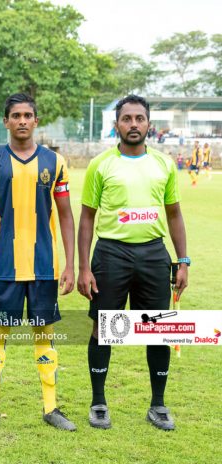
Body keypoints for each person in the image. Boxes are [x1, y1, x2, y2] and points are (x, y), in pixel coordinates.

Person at [77, 95, 188, 431]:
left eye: (140, 118)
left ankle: (158, 405)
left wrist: (183, 260)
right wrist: (83, 268)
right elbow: (87, 218)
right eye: (127, 119)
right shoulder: (101, 165)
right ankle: (98, 403)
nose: (134, 124)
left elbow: (174, 214)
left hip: (154, 254)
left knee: (158, 330)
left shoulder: (163, 164)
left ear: (149, 124)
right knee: (103, 328)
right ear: (117, 125)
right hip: (111, 254)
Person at [0, 93, 77, 432]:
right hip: (3, 267)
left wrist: (70, 265)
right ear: (5, 121)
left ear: (35, 120)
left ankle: (51, 406)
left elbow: (66, 215)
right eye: (15, 115)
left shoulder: (54, 163)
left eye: (27, 115)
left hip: (44, 267)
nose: (21, 120)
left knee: (44, 335)